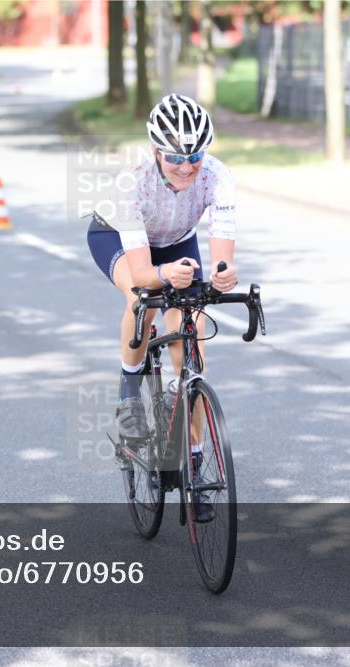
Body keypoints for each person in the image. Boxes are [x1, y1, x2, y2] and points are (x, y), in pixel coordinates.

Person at [86, 94, 237, 522]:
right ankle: (129, 390)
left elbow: (223, 252)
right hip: (117, 237)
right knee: (142, 299)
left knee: (193, 348)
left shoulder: (217, 176)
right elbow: (144, 272)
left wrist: (224, 275)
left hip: (176, 240)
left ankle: (192, 462)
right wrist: (164, 274)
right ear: (156, 151)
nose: (187, 165)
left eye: (194, 155)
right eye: (175, 157)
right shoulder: (132, 183)